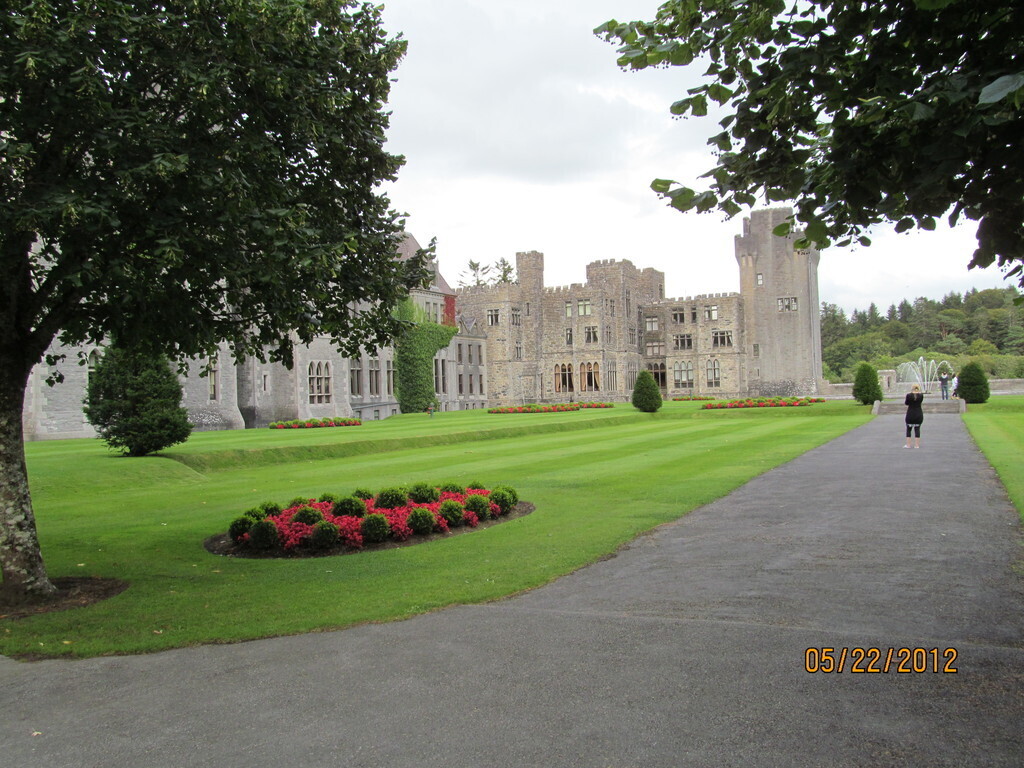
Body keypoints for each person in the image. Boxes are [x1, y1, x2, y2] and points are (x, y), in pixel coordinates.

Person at [904, 384, 924, 449]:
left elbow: (906, 403)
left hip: (910, 414)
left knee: (908, 429)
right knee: (917, 429)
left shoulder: (909, 395)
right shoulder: (921, 396)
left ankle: (908, 445)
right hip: (918, 413)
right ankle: (917, 445)